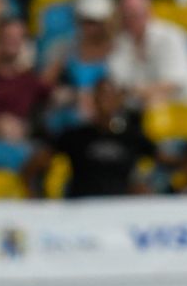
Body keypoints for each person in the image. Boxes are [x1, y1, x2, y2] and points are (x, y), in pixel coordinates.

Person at [22, 78, 156, 198]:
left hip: (119, 209)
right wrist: (34, 197)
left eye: (110, 96)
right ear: (93, 99)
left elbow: (163, 159)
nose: (106, 101)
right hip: (82, 210)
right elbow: (34, 166)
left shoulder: (131, 137)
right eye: (102, 95)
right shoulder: (76, 136)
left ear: (119, 100)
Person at [107, 0, 187, 108]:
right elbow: (117, 82)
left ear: (149, 12)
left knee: (156, 102)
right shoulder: (121, 42)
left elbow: (172, 84)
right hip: (143, 114)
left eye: (135, 15)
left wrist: (135, 92)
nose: (130, 20)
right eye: (126, 16)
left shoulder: (171, 35)